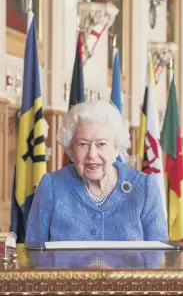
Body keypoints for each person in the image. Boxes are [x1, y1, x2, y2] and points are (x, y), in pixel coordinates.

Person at [25, 100, 168, 242]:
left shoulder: (144, 188)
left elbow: (159, 255)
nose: (92, 154)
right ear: (70, 149)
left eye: (101, 144)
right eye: (83, 144)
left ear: (116, 148)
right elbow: (34, 253)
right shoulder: (51, 187)